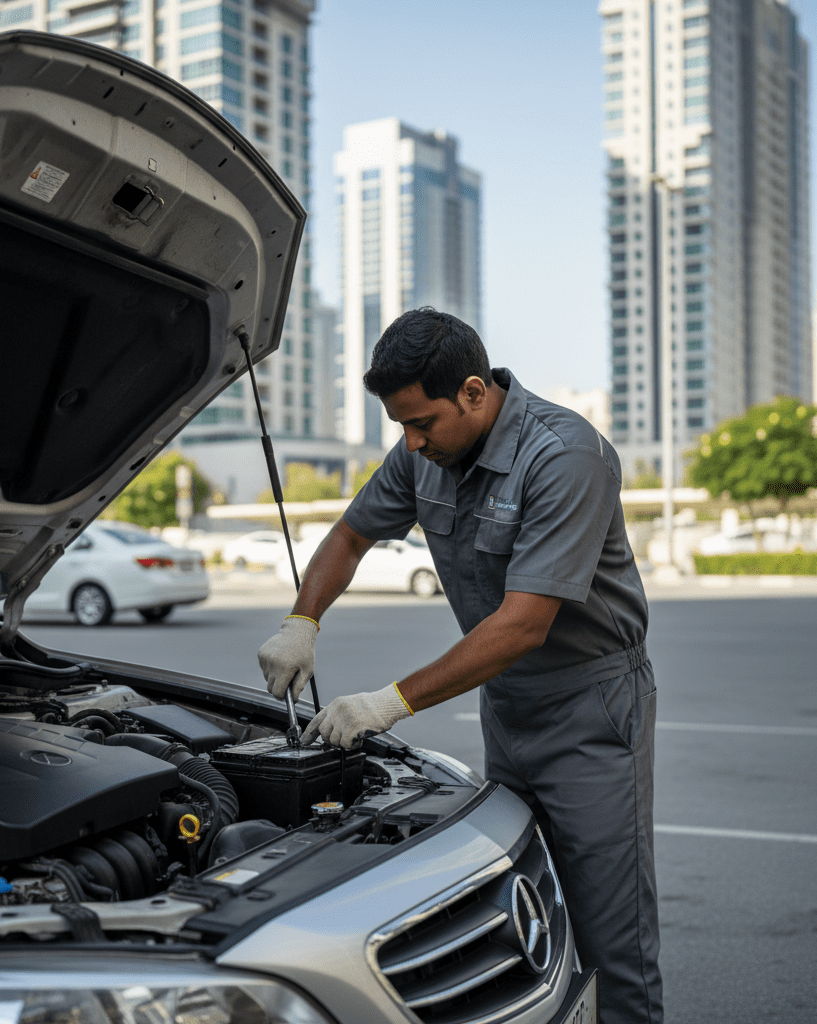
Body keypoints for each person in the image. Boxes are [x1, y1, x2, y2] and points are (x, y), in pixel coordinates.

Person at [257, 307, 662, 1024]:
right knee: (514, 916)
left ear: (475, 392)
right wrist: (302, 621)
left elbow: (523, 624)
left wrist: (386, 704)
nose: (411, 443)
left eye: (423, 423)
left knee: (610, 940)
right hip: (505, 706)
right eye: (400, 427)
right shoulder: (422, 452)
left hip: (589, 709)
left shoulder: (565, 456)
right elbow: (351, 535)